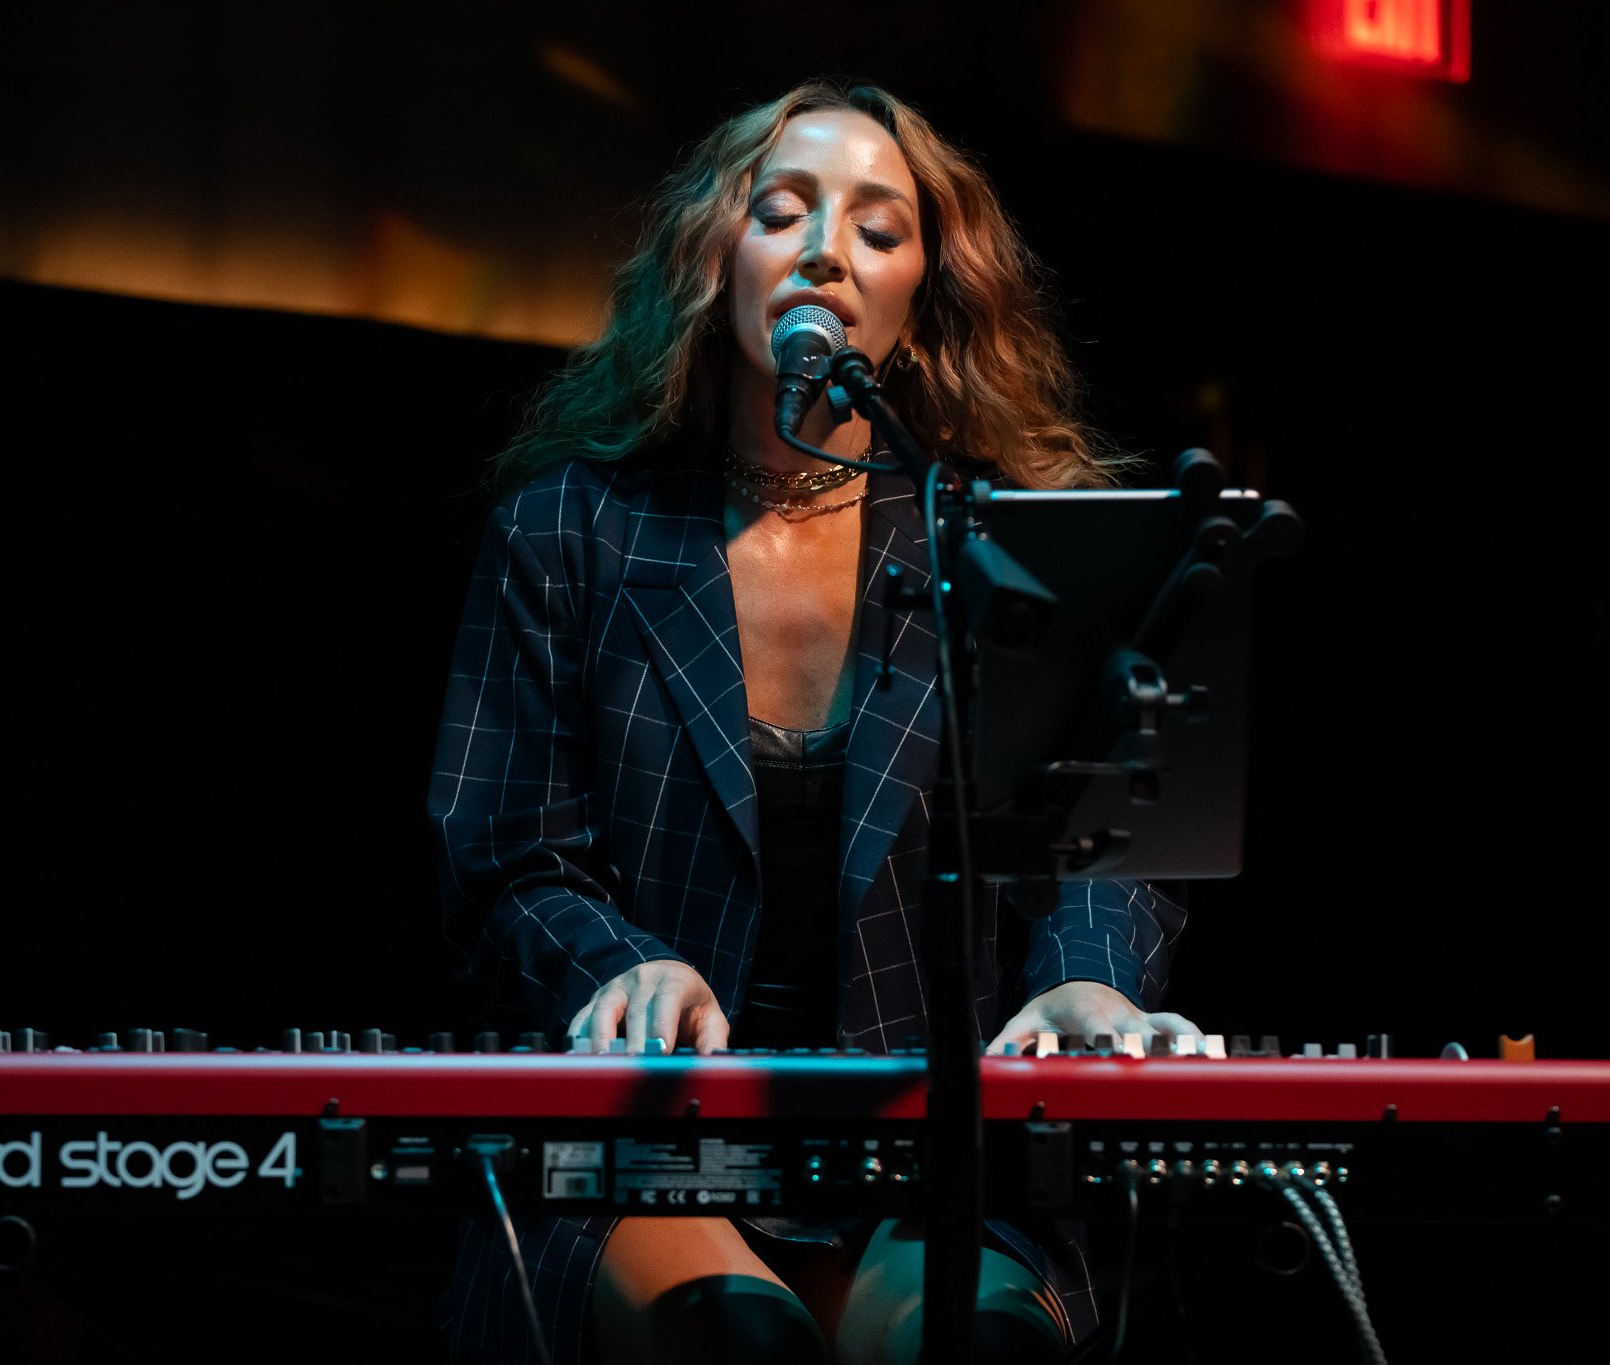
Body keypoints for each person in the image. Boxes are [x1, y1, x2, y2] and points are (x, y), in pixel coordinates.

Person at [430, 79, 1196, 1365]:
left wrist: (1087, 978)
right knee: (739, 1342)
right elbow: (506, 853)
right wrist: (615, 965)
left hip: (931, 1134)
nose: (826, 252)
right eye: (780, 213)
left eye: (877, 230)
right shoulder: (569, 530)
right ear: (713, 260)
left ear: (922, 301)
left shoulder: (995, 548)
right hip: (651, 1127)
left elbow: (1098, 844)